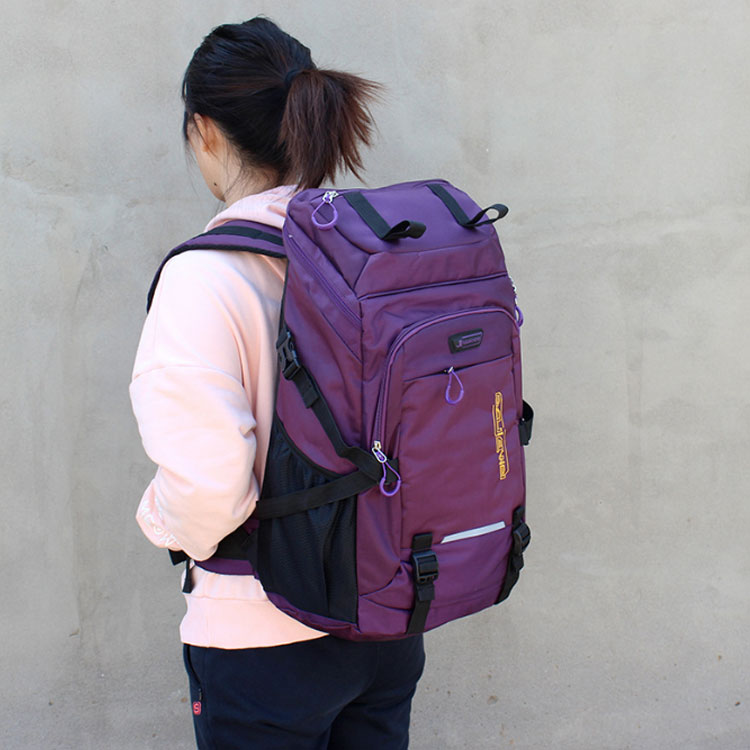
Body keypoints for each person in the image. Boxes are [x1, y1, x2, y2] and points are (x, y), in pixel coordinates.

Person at [130, 17, 425, 750]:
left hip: (261, 638)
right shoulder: (368, 251)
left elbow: (209, 490)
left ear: (204, 131)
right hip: (386, 617)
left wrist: (161, 521)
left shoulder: (205, 277)